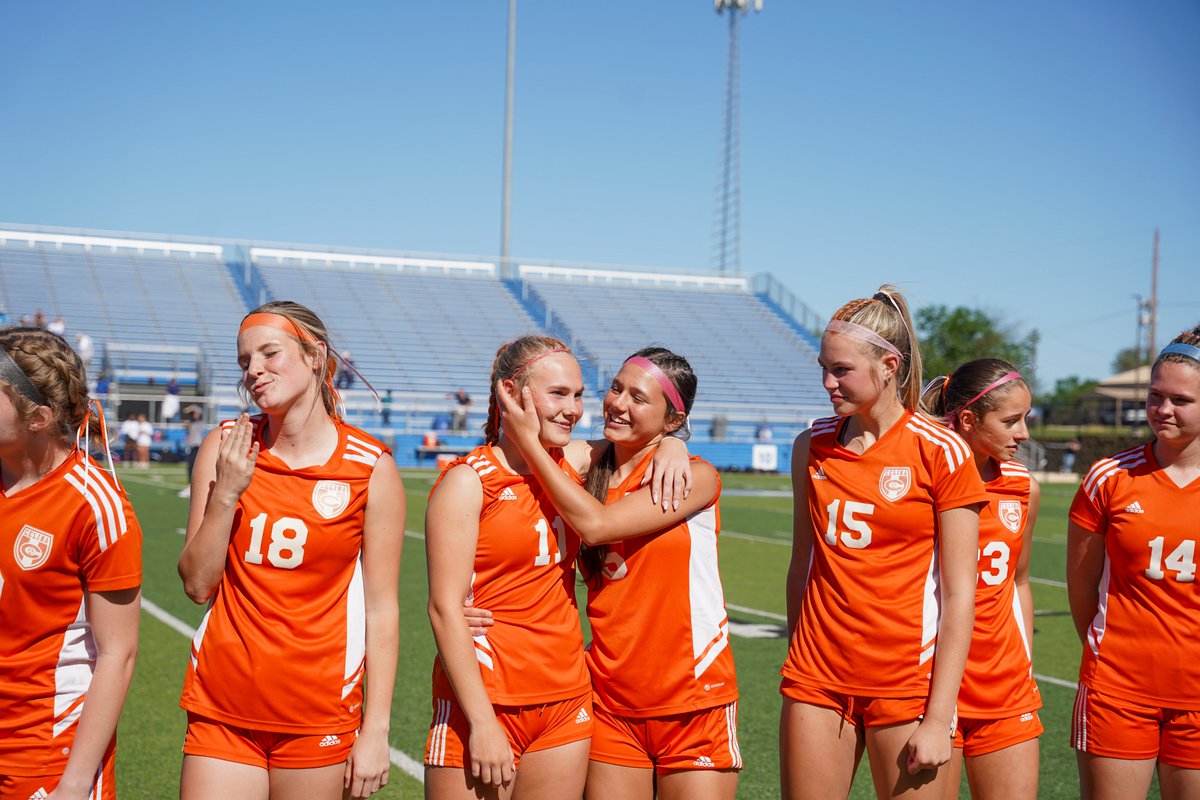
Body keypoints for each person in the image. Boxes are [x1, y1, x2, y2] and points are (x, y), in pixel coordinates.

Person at [423, 336, 691, 800]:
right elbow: (444, 609)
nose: (574, 410)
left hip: (566, 699)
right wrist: (482, 722)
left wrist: (671, 445)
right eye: (558, 394)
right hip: (485, 697)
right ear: (511, 393)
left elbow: (639, 440)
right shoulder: (469, 482)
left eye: (579, 395)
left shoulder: (573, 462)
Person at [176, 301, 404, 800]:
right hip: (223, 705)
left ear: (315, 356)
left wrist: (376, 729)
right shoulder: (226, 446)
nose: (254, 371)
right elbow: (196, 584)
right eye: (245, 361)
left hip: (319, 710)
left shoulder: (370, 467)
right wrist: (226, 493)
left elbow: (382, 609)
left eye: (269, 353)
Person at [496, 346, 741, 800]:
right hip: (610, 700)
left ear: (673, 419)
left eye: (638, 398)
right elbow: (501, 469)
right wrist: (469, 598)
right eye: (615, 388)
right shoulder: (583, 464)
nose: (618, 404)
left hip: (693, 699)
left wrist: (674, 443)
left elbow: (597, 525)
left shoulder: (694, 476)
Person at [779, 285, 986, 800]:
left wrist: (939, 717)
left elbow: (961, 595)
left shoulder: (942, 451)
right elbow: (801, 563)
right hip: (816, 677)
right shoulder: (812, 445)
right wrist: (800, 652)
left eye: (841, 370)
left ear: (889, 366)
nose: (828, 382)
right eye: (823, 368)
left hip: (907, 684)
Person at [0, 327, 143, 799]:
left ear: (39, 418)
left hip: (45, 751)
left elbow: (118, 654)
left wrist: (76, 783)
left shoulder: (95, 504)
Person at [1066, 325, 1200, 800]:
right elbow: (1082, 590)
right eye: (1155, 395)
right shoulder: (1109, 477)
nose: (1163, 409)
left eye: (1181, 400)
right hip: (1118, 690)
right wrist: (1112, 658)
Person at [921, 360, 1042, 800]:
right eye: (1010, 421)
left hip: (1004, 685)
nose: (1023, 434)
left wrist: (1024, 667)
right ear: (969, 420)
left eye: (1025, 419)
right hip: (928, 685)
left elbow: (1018, 582)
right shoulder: (922, 479)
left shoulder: (1022, 486)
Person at [178, 405, 205, 499]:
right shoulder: (192, 424)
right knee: (190, 468)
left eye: (195, 413)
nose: (194, 415)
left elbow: (196, 409)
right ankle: (191, 486)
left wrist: (189, 409)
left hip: (197, 447)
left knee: (193, 467)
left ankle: (191, 488)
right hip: (192, 447)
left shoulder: (200, 423)